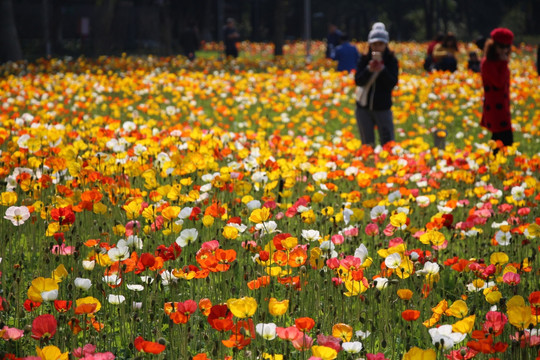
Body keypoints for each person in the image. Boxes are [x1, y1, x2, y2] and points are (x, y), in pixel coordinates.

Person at [354, 22, 399, 147]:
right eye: (374, 44)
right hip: (363, 108)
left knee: (388, 143)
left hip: (383, 108)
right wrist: (369, 69)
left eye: (380, 44)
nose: (377, 47)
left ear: (386, 44)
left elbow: (392, 83)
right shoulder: (364, 59)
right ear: (369, 44)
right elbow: (358, 81)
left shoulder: (391, 60)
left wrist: (382, 70)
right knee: (367, 145)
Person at [480, 28, 514, 151]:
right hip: (494, 106)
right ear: (493, 45)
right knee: (504, 140)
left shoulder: (500, 61)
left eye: (507, 46)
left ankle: (496, 166)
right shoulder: (487, 63)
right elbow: (498, 82)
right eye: (501, 46)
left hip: (502, 106)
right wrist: (504, 63)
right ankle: (496, 167)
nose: (504, 49)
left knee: (500, 139)